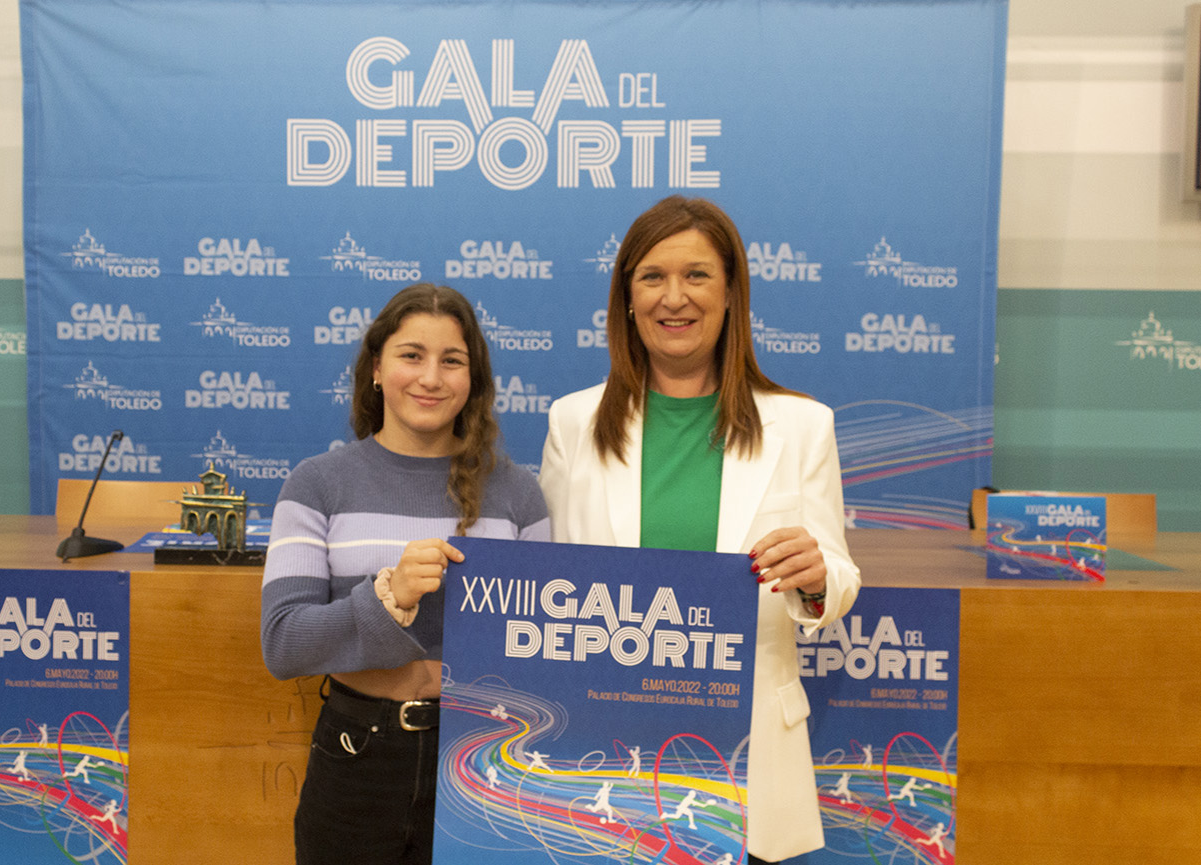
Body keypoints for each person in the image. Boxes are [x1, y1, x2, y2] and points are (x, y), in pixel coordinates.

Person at [539, 195, 860, 865]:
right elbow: (549, 588)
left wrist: (816, 577)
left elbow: (836, 574)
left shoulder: (803, 425)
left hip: (747, 753)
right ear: (627, 295)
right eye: (652, 276)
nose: (673, 297)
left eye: (697, 275)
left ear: (731, 294)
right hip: (605, 748)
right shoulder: (573, 423)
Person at [261, 283, 550, 865]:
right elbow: (283, 643)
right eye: (411, 355)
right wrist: (387, 596)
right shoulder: (315, 484)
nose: (431, 378)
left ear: (474, 381)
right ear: (375, 368)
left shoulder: (518, 493)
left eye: (452, 361)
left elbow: (542, 654)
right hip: (357, 758)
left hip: (486, 760)